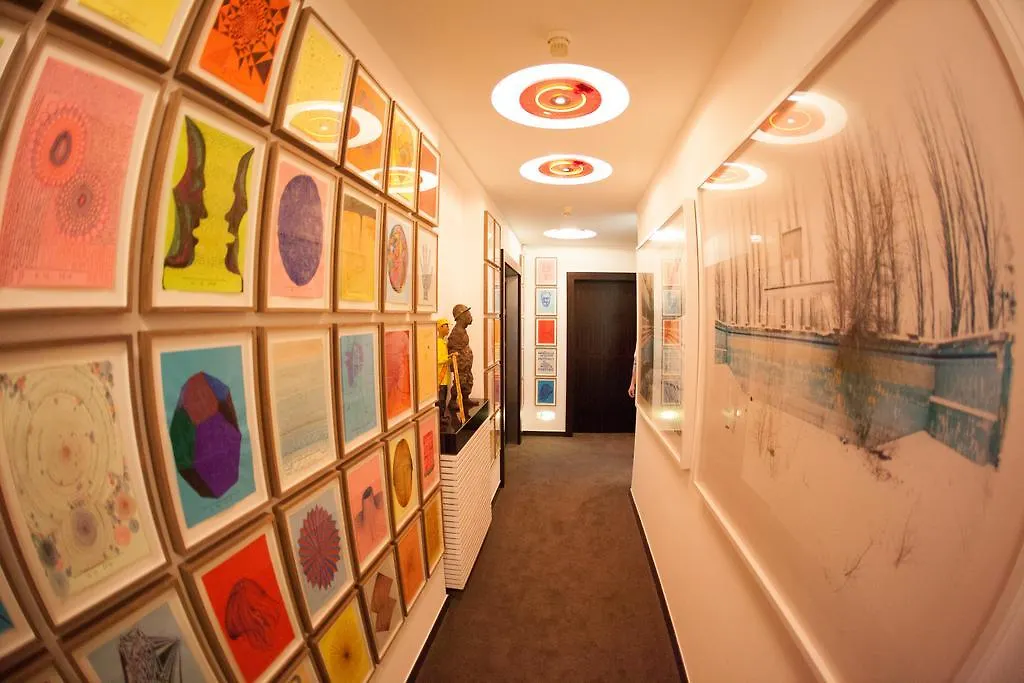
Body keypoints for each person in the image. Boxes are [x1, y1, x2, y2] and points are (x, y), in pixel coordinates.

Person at [436, 318, 451, 422]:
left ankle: (442, 416)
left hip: (444, 376)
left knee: (444, 397)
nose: (448, 328)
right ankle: (440, 418)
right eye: (446, 326)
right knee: (440, 398)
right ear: (440, 327)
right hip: (440, 377)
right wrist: (448, 358)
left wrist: (450, 357)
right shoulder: (437, 342)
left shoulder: (443, 342)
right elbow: (438, 359)